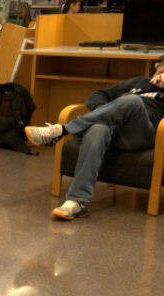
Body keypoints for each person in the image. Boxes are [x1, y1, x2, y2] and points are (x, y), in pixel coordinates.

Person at [25, 56, 164, 220]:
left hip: (141, 134)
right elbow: (98, 95)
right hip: (113, 129)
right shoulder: (139, 82)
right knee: (98, 127)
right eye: (159, 67)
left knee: (132, 101)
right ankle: (77, 202)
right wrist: (105, 113)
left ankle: (62, 130)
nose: (160, 71)